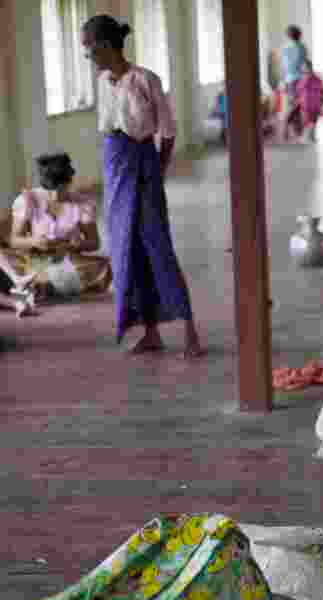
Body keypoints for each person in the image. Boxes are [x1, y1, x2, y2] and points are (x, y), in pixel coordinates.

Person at [81, 15, 203, 358]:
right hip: (115, 169)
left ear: (106, 46)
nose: (89, 58)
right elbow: (109, 131)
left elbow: (167, 130)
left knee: (156, 244)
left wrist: (158, 172)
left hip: (143, 166)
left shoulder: (145, 79)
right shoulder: (104, 81)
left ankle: (190, 330)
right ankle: (150, 332)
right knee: (125, 250)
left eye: (89, 50)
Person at [6, 152, 112, 312]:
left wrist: (74, 244)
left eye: (60, 189)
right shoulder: (28, 200)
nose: (55, 195)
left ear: (68, 183)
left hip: (68, 258)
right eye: (50, 190)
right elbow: (14, 240)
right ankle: (34, 287)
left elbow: (94, 243)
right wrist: (34, 241)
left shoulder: (82, 204)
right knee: (9, 263)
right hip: (35, 258)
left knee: (108, 268)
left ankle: (39, 288)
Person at [277, 26, 309, 142]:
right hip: (300, 80)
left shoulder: (285, 48)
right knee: (299, 105)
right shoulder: (302, 47)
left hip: (290, 80)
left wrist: (282, 81)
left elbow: (282, 67)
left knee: (297, 105)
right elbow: (305, 64)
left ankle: (295, 132)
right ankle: (289, 126)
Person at [295, 59, 323, 143]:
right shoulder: (302, 79)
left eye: (304, 66)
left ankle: (306, 137)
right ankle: (310, 137)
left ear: (309, 67)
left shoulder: (315, 79)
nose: (303, 68)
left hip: (313, 104)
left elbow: (322, 91)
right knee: (309, 122)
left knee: (311, 122)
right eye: (302, 67)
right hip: (305, 104)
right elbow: (298, 91)